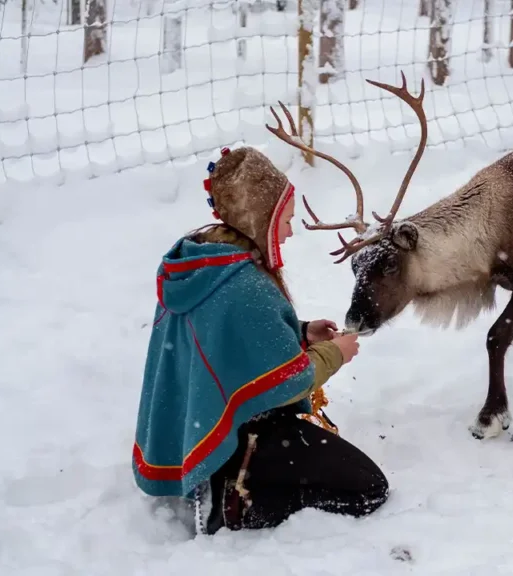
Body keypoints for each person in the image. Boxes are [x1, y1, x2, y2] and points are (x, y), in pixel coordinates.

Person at [131, 145, 389, 535]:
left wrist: (300, 332)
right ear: (260, 218)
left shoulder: (202, 262)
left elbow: (227, 337)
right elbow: (290, 382)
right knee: (369, 488)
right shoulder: (246, 285)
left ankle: (226, 475)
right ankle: (238, 501)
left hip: (200, 424)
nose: (288, 231)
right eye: (284, 220)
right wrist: (335, 353)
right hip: (246, 435)